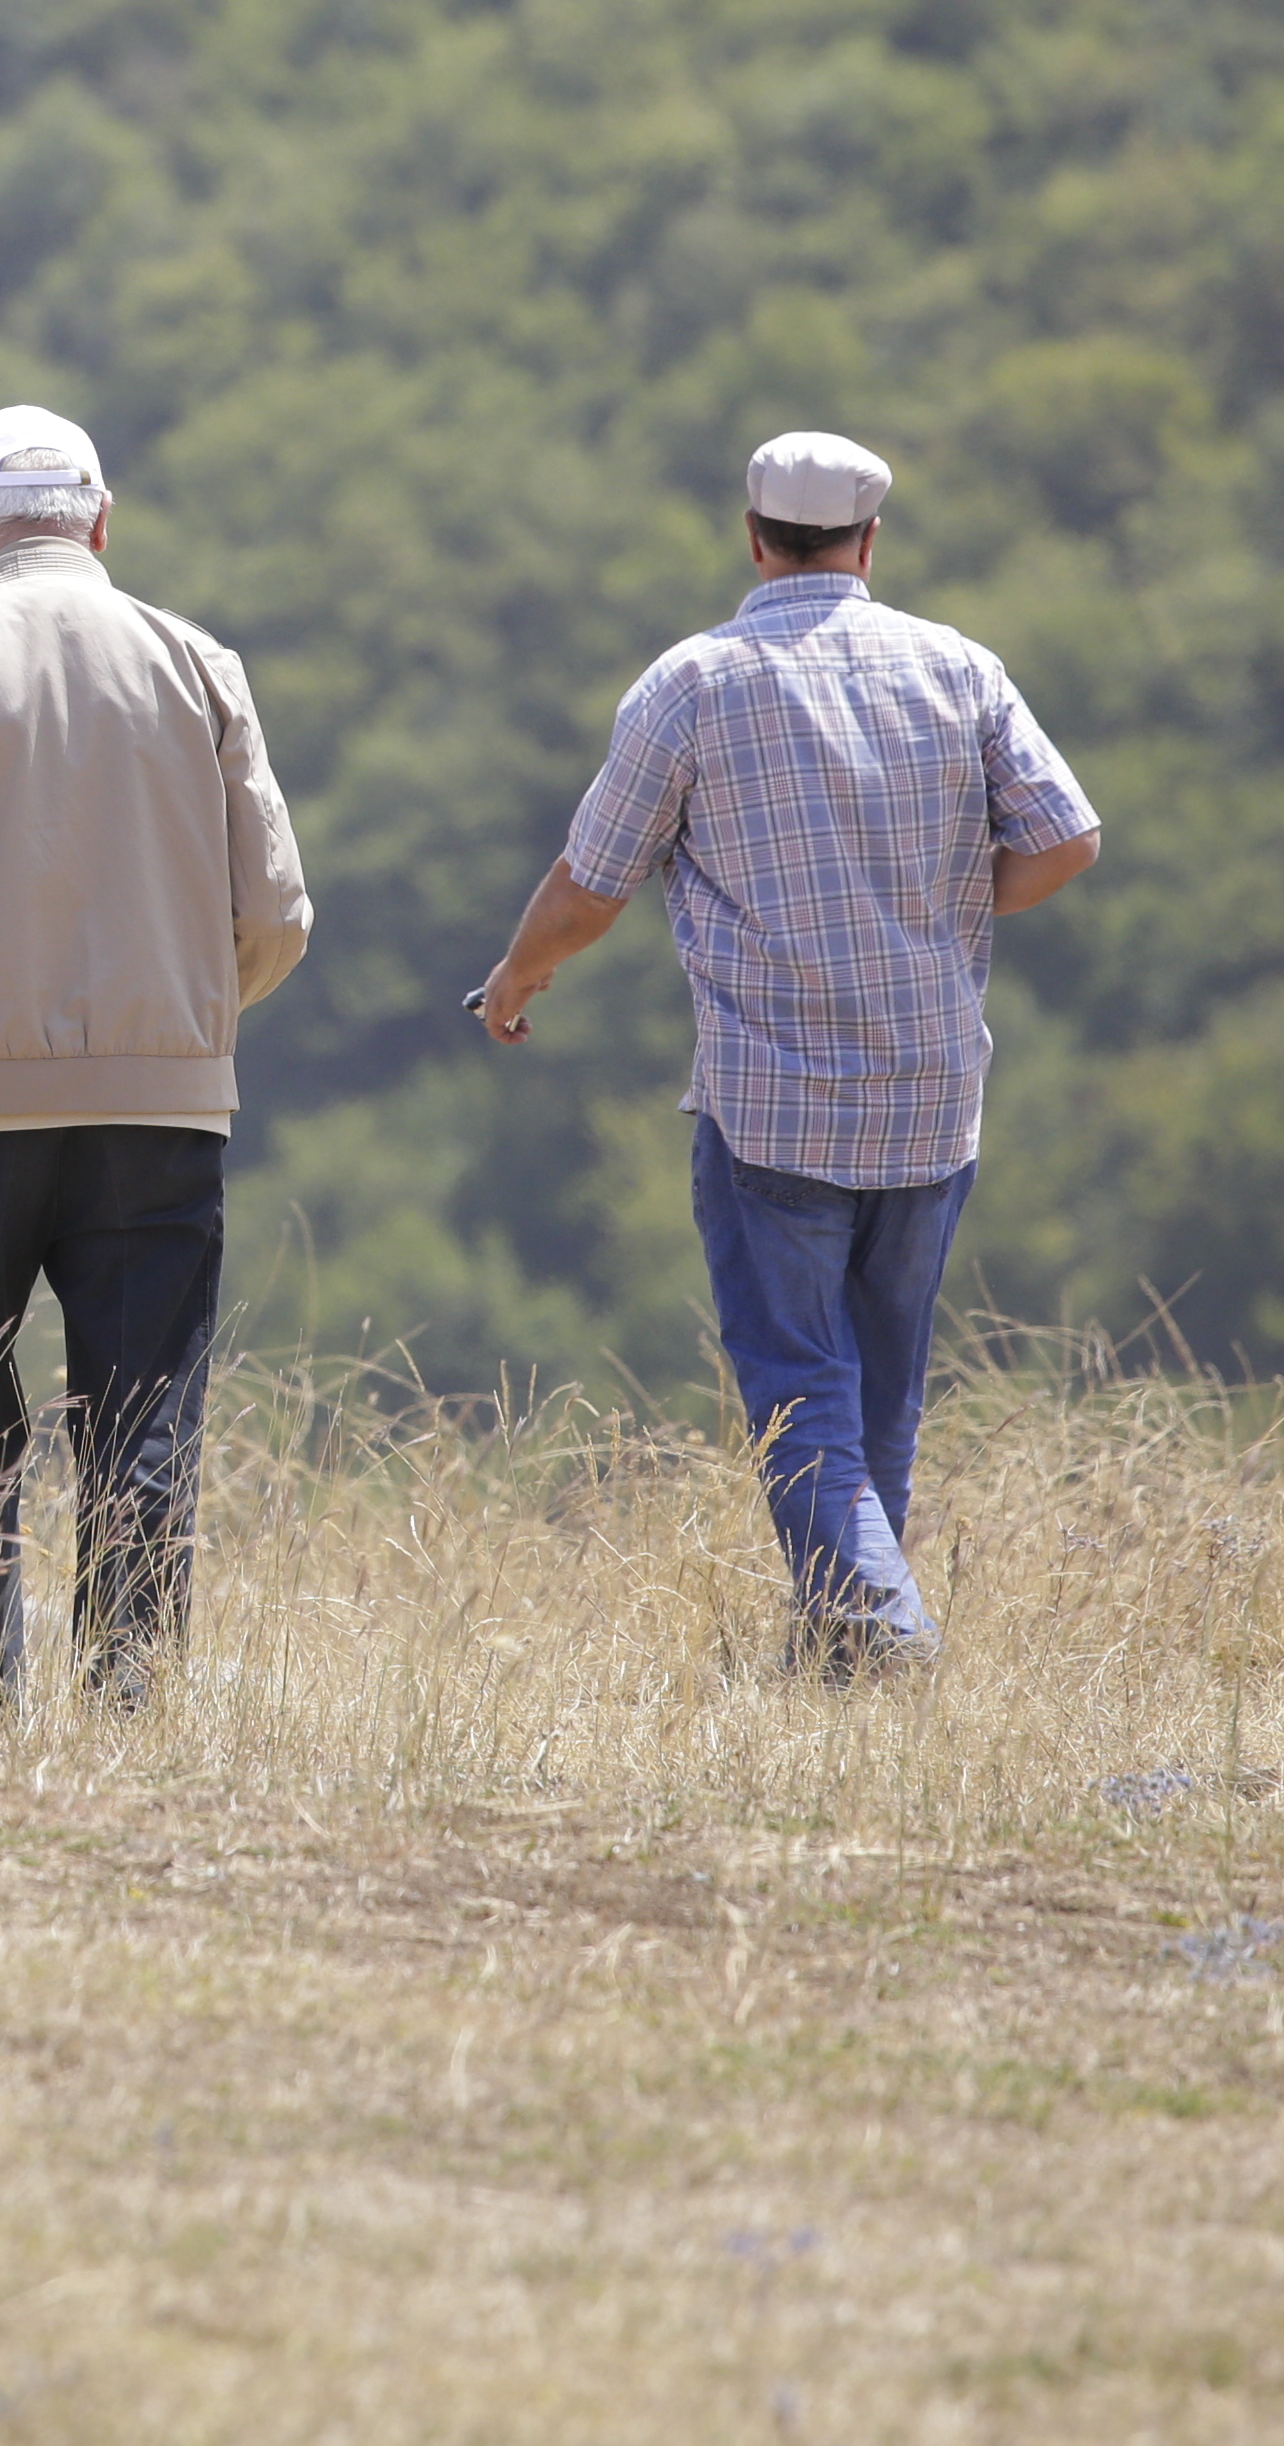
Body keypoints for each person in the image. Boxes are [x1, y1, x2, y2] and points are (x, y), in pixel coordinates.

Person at [469, 430, 1103, 1670]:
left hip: (772, 1105)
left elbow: (590, 885)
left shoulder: (692, 684)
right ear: (870, 543)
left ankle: (885, 1635)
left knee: (799, 1389)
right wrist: (948, 908)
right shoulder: (958, 669)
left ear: (754, 539)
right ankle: (845, 1667)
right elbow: (1067, 839)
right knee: (881, 1397)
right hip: (930, 1098)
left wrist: (515, 976)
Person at [0, 406, 308, 1708]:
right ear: (101, 521)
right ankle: (127, 1697)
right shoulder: (200, 665)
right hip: (163, 1109)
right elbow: (278, 916)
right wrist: (189, 1026)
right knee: (143, 1414)